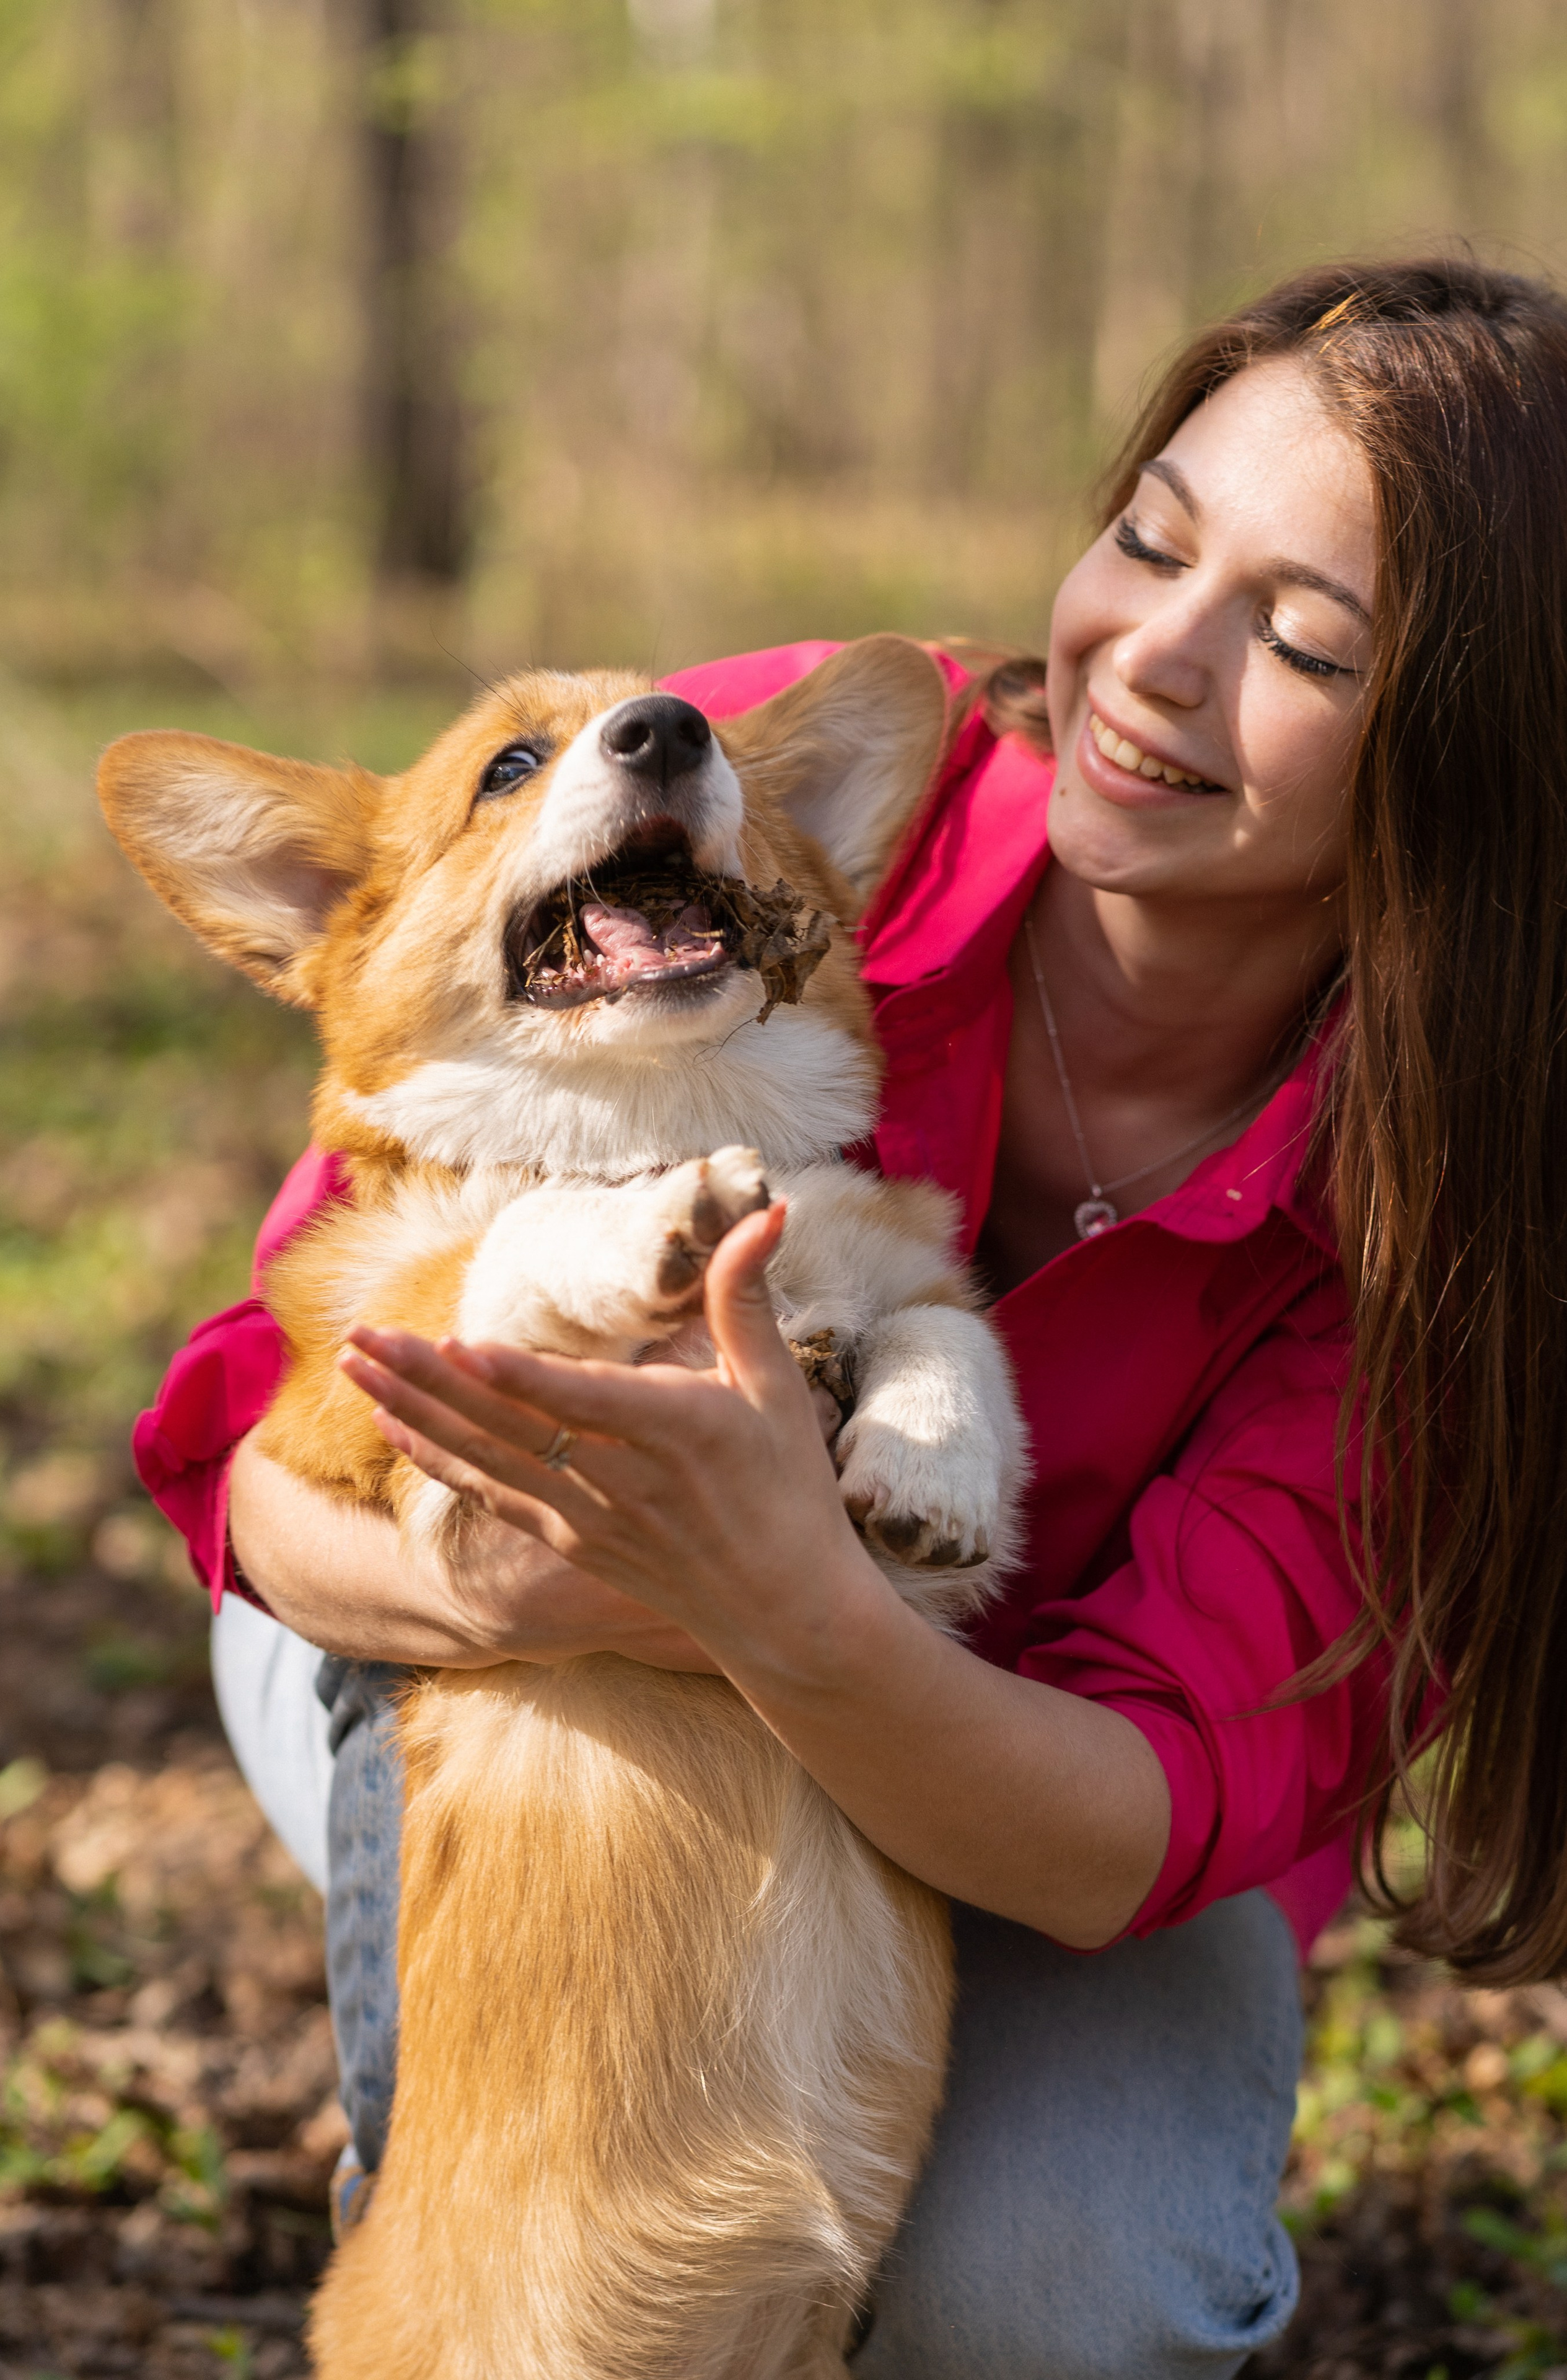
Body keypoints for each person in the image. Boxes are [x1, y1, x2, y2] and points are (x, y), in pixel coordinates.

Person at [136, 256, 1567, 2378]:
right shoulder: (696, 812)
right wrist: (527, 1582)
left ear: (1463, 767)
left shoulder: (1456, 1233)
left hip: (1020, 1786)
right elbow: (264, 1451)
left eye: (1301, 642)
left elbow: (1127, 1820)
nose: (1151, 663)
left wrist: (774, 1596)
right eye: (1153, 539)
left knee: (1056, 2282)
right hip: (455, 1629)